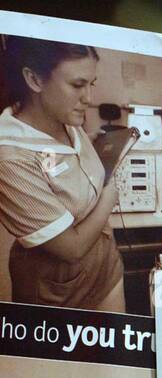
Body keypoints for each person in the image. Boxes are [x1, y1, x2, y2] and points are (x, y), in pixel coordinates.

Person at [0, 36, 124, 311]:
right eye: (77, 85)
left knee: (115, 352)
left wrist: (91, 145)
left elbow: (64, 161)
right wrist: (109, 196)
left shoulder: (66, 117)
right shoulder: (11, 158)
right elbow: (71, 248)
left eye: (91, 84)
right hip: (59, 288)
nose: (89, 99)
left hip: (105, 262)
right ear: (34, 80)